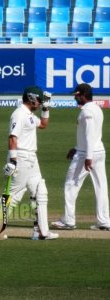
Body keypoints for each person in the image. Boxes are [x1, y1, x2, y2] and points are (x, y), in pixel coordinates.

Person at [0, 86, 59, 240]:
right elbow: (12, 137)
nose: (39, 103)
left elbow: (43, 124)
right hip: (21, 158)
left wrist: (46, 107)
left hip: (32, 158)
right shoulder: (19, 114)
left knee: (39, 190)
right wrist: (12, 160)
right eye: (39, 100)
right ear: (31, 98)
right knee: (13, 195)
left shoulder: (29, 114)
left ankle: (41, 232)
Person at [51, 83, 110, 231]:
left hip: (87, 154)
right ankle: (104, 221)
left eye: (76, 95)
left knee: (71, 184)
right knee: (101, 186)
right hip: (97, 151)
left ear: (83, 95)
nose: (74, 97)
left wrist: (88, 157)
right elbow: (90, 136)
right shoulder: (96, 108)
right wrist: (76, 148)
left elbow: (90, 135)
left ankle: (68, 220)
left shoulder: (87, 111)